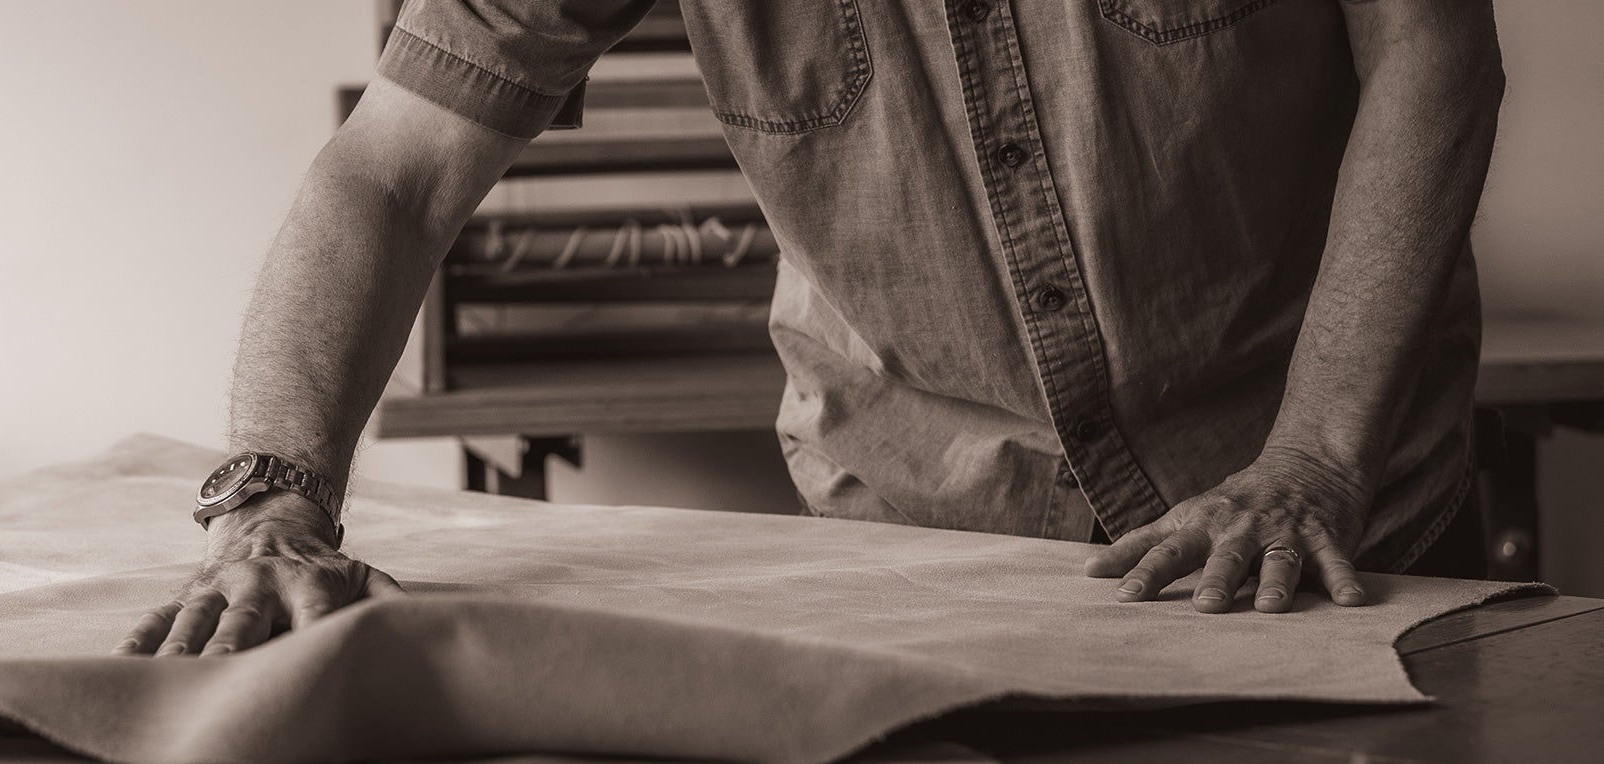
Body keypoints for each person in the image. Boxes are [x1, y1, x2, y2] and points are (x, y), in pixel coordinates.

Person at [116, 0, 1504, 658]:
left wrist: (1316, 454)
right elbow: (391, 174)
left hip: (1329, 544)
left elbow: (1431, 47)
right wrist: (271, 499)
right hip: (929, 567)